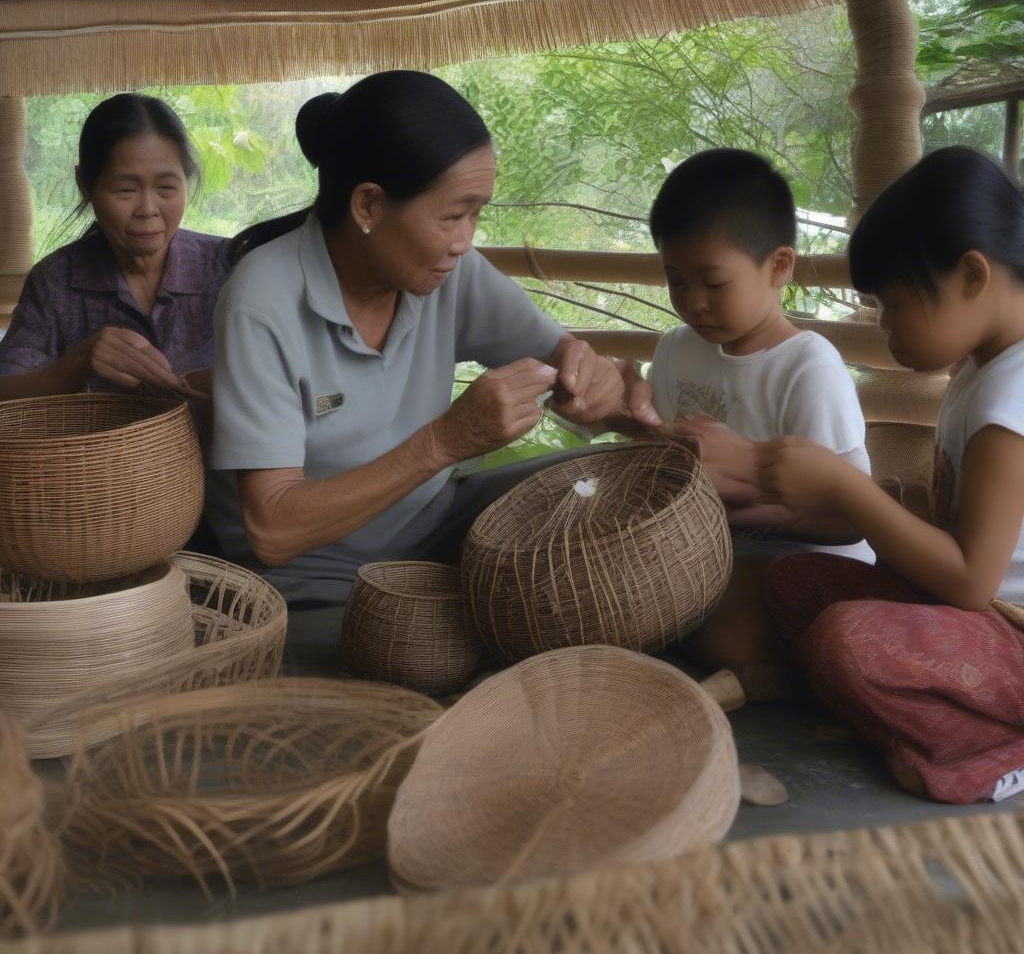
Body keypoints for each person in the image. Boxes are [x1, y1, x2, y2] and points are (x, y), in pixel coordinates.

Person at [208, 71, 651, 667]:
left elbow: (566, 361)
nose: (466, 241)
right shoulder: (261, 300)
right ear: (368, 204)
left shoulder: (448, 273)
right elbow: (273, 529)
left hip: (436, 528)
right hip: (314, 574)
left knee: (617, 480)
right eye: (452, 216)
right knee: (420, 657)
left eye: (476, 214)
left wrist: (601, 387)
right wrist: (445, 441)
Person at [758, 146, 1024, 804]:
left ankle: (991, 750)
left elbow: (969, 582)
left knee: (847, 642)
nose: (885, 326)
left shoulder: (1010, 399)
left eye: (895, 305)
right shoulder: (981, 367)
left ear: (970, 276)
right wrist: (894, 501)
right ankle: (929, 727)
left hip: (1008, 631)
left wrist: (848, 488)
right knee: (793, 583)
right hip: (978, 620)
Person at [632, 148, 871, 694]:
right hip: (715, 554)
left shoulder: (807, 366)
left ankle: (765, 668)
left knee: (719, 619)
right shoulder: (674, 350)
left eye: (714, 283)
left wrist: (739, 507)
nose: (693, 302)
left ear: (779, 267)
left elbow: (848, 518)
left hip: (808, 562)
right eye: (675, 280)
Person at [0, 93, 229, 399]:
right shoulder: (55, 282)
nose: (148, 208)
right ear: (85, 184)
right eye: (125, 189)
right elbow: (7, 392)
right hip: (102, 450)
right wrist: (75, 366)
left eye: (166, 187)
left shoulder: (230, 268)